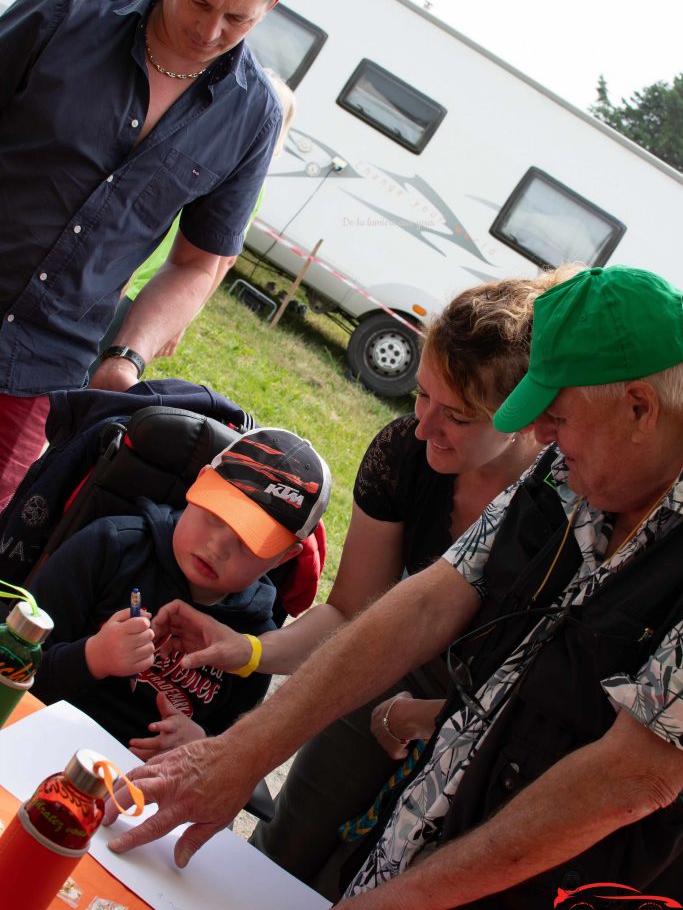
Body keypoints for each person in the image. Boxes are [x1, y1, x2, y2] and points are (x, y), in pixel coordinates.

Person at [106, 265, 683, 908]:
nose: (543, 436)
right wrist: (237, 756)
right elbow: (431, 598)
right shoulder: (564, 470)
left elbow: (632, 779)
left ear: (639, 408)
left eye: (559, 416)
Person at [0, 0, 293, 509]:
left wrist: (126, 355)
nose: (210, 31)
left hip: (42, 369)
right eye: (200, 2)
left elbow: (197, 264)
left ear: (270, 9)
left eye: (237, 18)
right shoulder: (64, 8)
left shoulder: (254, 116)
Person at [31, 426, 331, 758]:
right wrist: (91, 657)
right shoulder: (110, 547)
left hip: (138, 790)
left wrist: (200, 745)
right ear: (199, 483)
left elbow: (228, 749)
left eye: (248, 542)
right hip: (36, 735)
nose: (217, 546)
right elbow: (12, 661)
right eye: (216, 517)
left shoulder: (256, 639)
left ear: (285, 555)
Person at [92, 70, 297, 366]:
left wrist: (181, 318)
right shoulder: (213, 155)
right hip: (127, 277)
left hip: (149, 288)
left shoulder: (242, 179)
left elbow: (222, 258)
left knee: (94, 371)